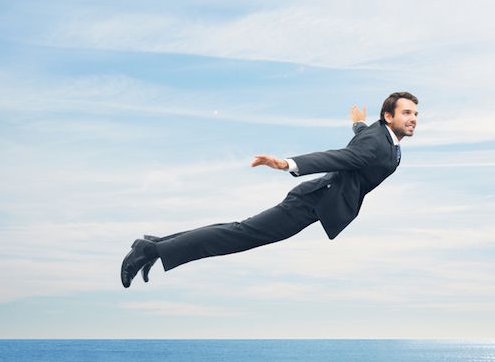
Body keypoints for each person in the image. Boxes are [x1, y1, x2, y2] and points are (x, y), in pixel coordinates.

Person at [121, 91, 418, 287]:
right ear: (388, 117)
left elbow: (363, 141)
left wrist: (358, 124)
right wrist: (288, 163)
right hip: (313, 201)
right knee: (240, 234)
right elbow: (341, 157)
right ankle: (150, 250)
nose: (413, 119)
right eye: (406, 113)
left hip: (317, 199)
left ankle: (155, 245)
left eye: (415, 114)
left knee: (239, 230)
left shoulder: (381, 137)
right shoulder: (379, 142)